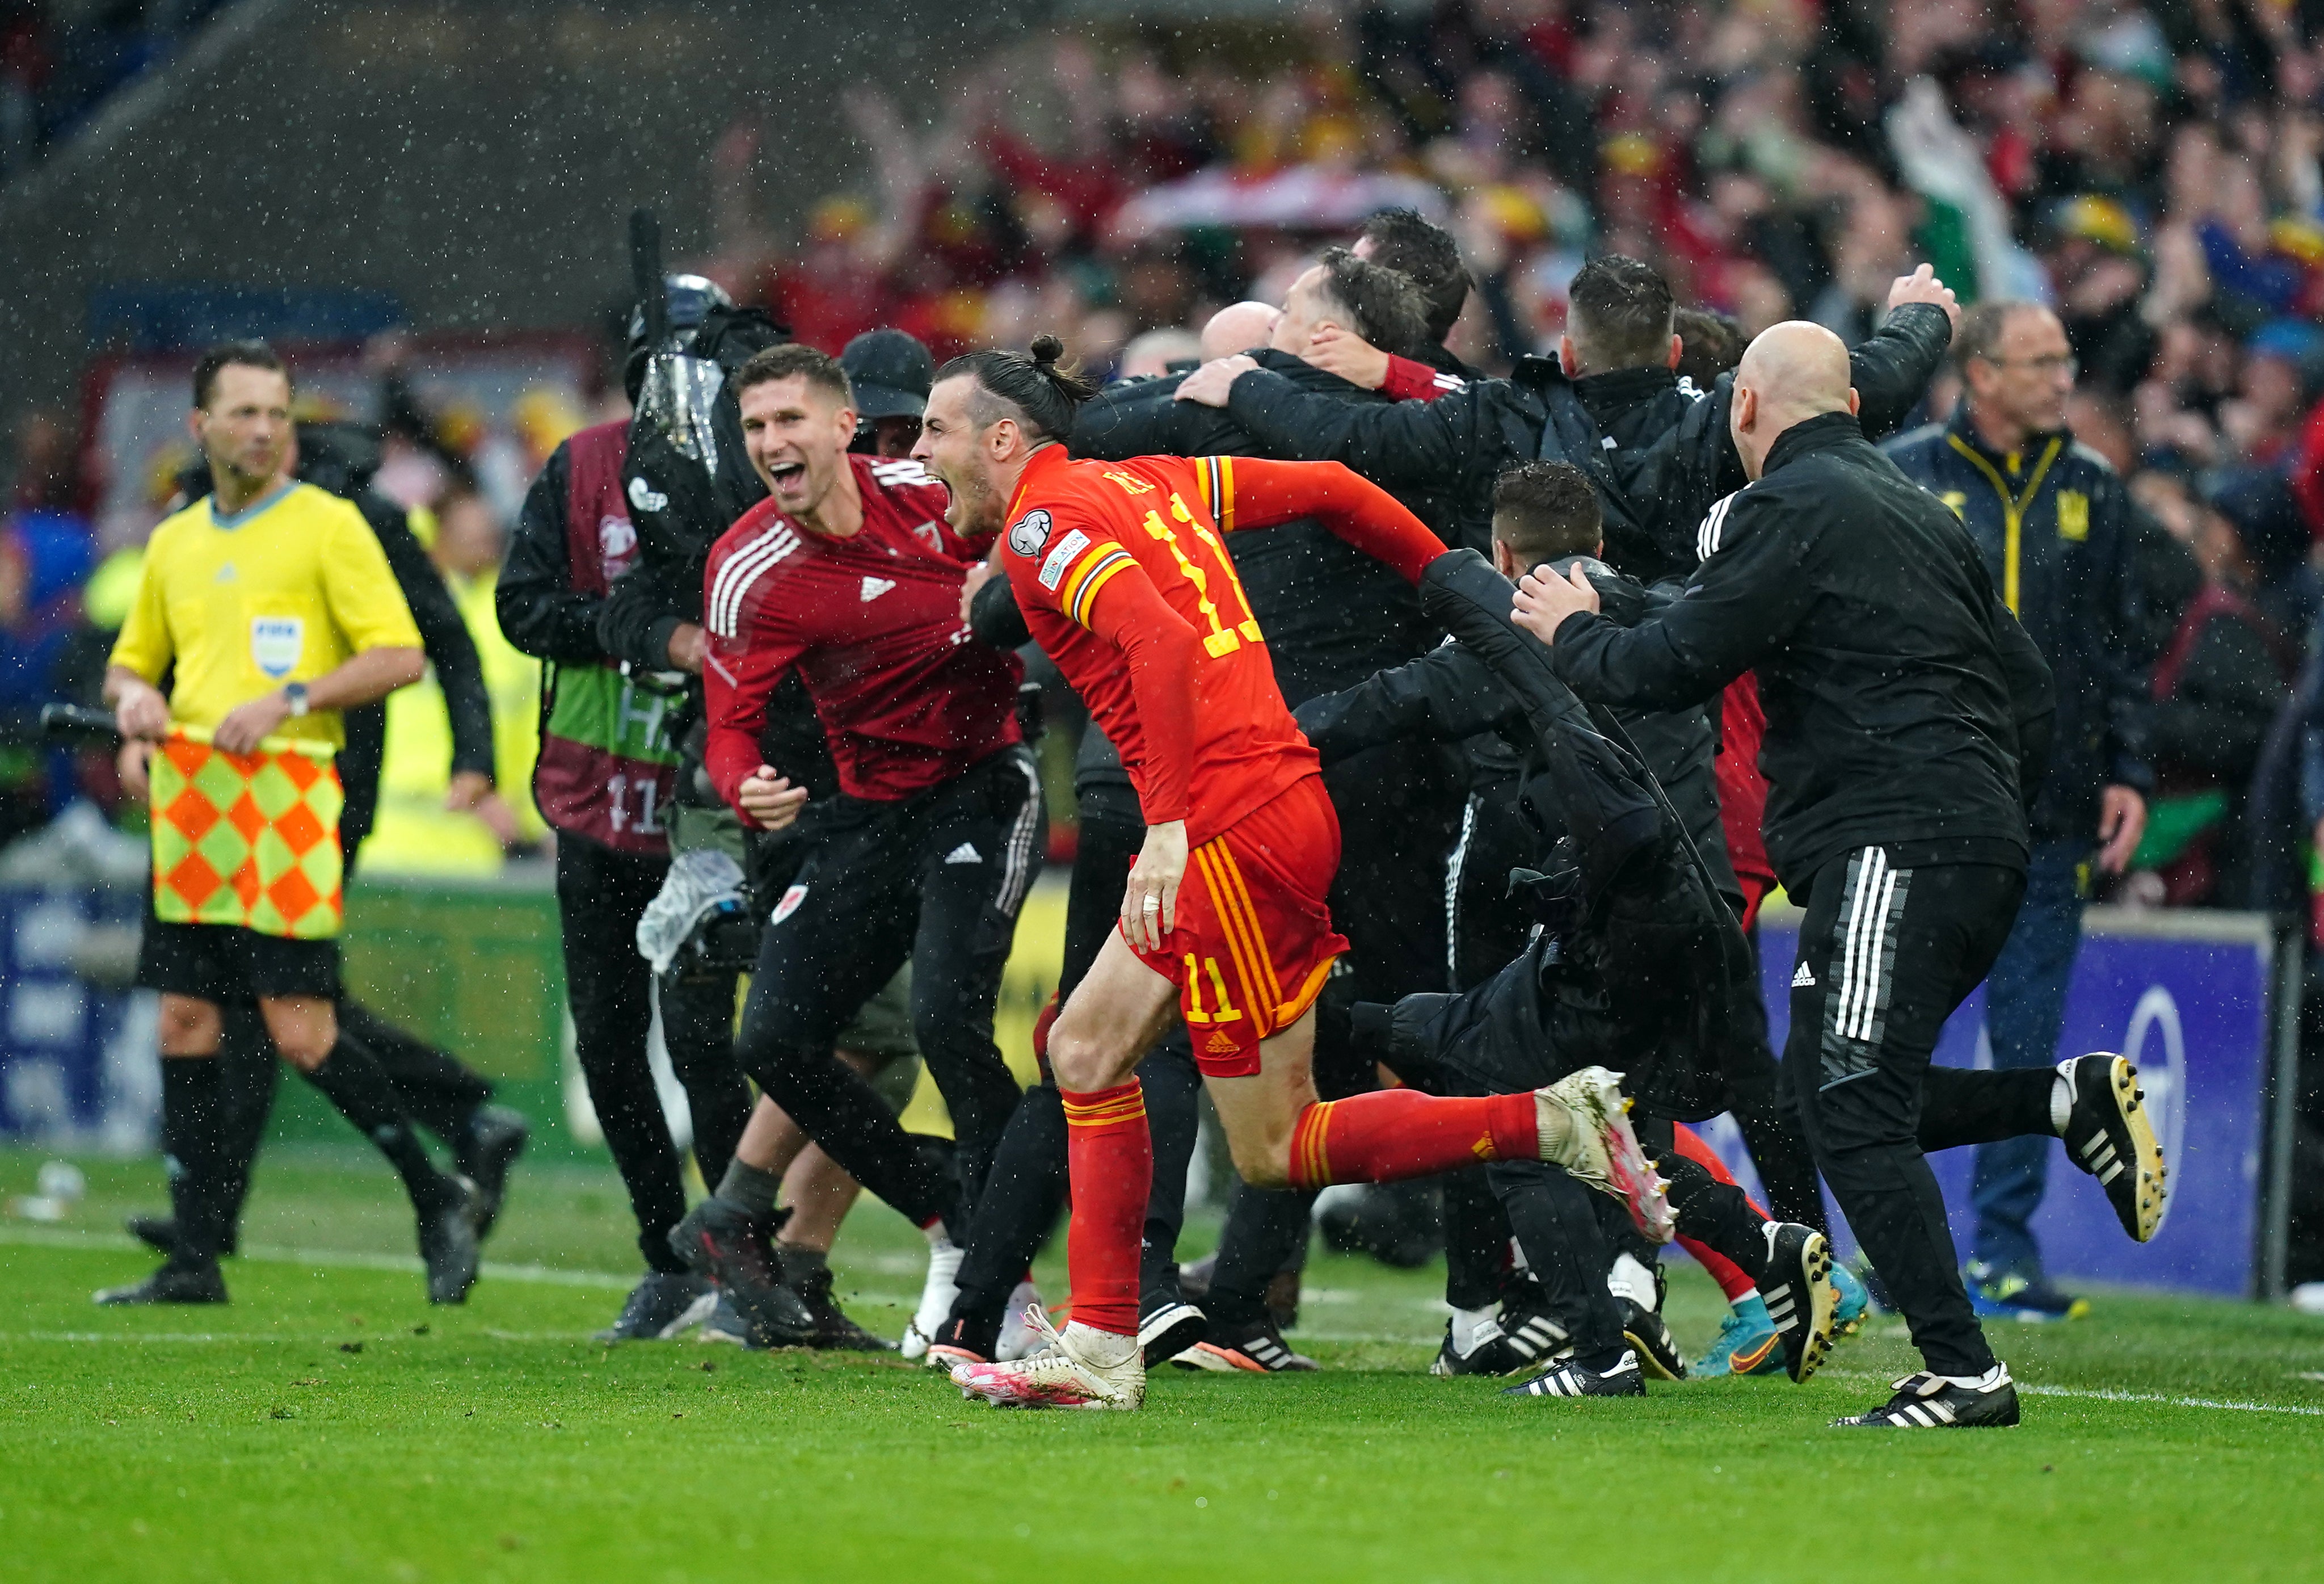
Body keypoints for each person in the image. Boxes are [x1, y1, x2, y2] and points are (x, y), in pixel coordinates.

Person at [915, 338, 1668, 1412]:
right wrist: (1446, 575)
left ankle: (1098, 1346)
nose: (921, 457)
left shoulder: (1043, 526)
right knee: (1261, 1135)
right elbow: (1331, 487)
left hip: (1221, 827)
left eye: (936, 433)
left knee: (1090, 1055)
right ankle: (1551, 1122)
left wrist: (1166, 830)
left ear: (1002, 439)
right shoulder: (1154, 480)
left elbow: (1162, 647)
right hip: (1281, 804)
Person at [1512, 321, 2169, 1428]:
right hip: (1967, 844)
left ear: (1746, 412)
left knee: (1850, 1104)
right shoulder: (1916, 513)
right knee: (1840, 1099)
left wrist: (1574, 632)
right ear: (1853, 409)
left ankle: (1963, 1372)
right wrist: (1985, 803)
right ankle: (2062, 1095)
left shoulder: (1790, 509)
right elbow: (2029, 688)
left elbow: (1671, 670)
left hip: (1891, 842)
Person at [98, 341, 480, 1306]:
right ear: (202, 428)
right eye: (245, 414)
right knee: (186, 1022)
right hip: (193, 810)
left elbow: (399, 656)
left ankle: (433, 1193)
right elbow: (133, 663)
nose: (266, 431)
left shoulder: (330, 527)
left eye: (278, 413)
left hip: (288, 806)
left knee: (302, 1032)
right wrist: (136, 705)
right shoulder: (178, 539)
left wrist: (290, 698)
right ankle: (194, 1259)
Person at [697, 342, 1043, 1327]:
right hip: (869, 811)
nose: (772, 442)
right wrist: (745, 784)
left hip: (984, 785)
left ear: (845, 427)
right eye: (757, 427)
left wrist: (1008, 596)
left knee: (945, 1020)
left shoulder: (940, 496)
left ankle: (1002, 1289)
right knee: (773, 1038)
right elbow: (729, 721)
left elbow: (1042, 543)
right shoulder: (746, 568)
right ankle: (953, 1222)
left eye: (789, 421)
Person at [1883, 301, 2153, 1322]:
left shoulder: (2093, 486)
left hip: (2055, 810)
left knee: (2027, 1031)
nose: (2061, 378)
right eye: (2041, 361)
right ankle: (1897, 1237)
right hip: (1929, 805)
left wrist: (2128, 765)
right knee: (1896, 1031)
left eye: (2066, 360)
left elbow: (2123, 647)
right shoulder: (1908, 474)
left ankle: (2001, 1250)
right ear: (1981, 372)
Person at [1176, 254, 1959, 572]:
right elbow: (1872, 383)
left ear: (1571, 354)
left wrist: (1244, 384)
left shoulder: (1496, 418)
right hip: (1683, 719)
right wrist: (1922, 317)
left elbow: (1352, 439)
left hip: (1531, 714)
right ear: (1676, 354)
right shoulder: (1731, 420)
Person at [498, 392, 755, 1343]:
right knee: (609, 1039)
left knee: (707, 1041)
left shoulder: (749, 454)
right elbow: (519, 609)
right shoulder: (579, 465)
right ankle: (667, 1254)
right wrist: (630, 632)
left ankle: (746, 1263)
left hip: (712, 803)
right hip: (597, 801)